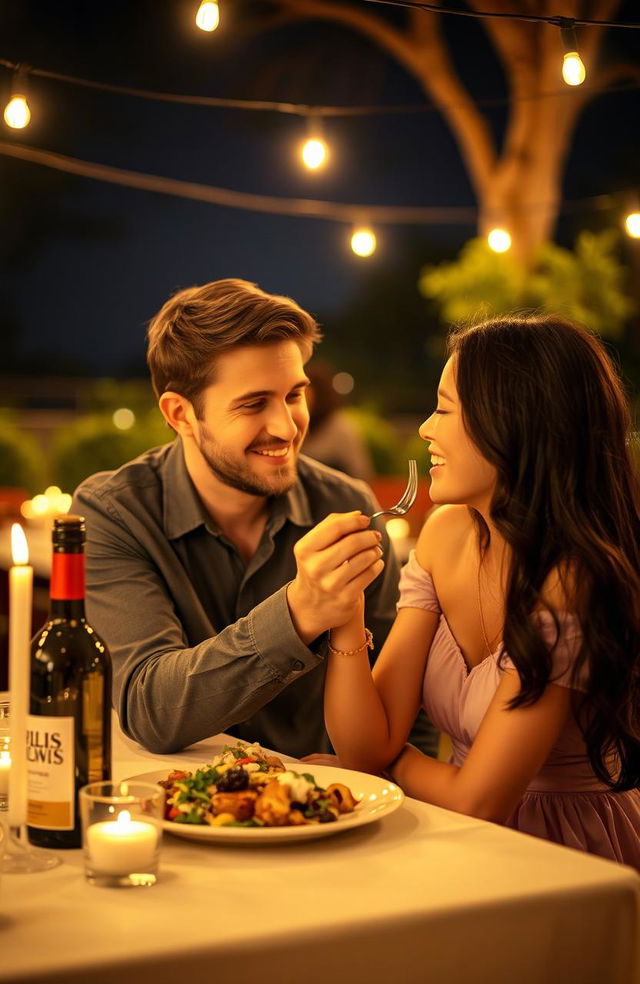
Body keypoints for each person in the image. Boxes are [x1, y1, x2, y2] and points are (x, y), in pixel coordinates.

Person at [321, 314, 640, 868]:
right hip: (453, 836)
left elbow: (481, 799)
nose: (424, 428)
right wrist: (343, 608)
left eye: (443, 408)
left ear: (513, 422)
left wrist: (390, 768)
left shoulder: (573, 578)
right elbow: (366, 744)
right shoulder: (446, 533)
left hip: (568, 855)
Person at [72, 278, 400, 758]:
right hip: (171, 808)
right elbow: (149, 708)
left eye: (294, 395)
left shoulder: (348, 506)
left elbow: (407, 696)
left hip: (332, 812)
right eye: (253, 404)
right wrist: (299, 612)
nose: (287, 428)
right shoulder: (114, 513)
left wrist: (379, 777)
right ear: (181, 414)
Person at [302, 360, 374, 481]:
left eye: (307, 395)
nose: (304, 401)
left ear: (319, 395)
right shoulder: (300, 423)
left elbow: (361, 472)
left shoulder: (340, 428)